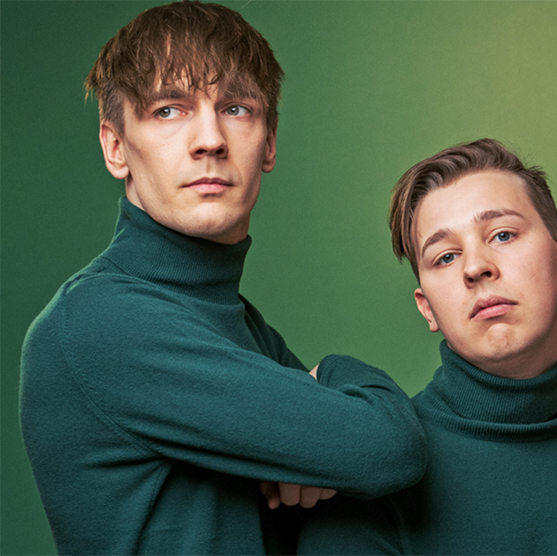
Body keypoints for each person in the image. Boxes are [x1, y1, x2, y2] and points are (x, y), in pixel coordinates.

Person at [19, 2, 426, 553]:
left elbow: (360, 473)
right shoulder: (98, 321)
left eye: (236, 108)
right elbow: (387, 448)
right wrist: (330, 376)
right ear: (116, 148)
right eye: (169, 110)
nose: (209, 139)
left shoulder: (241, 327)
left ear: (270, 142)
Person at [296, 138, 557, 554]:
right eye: (446, 257)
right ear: (427, 308)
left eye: (502, 235)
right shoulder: (368, 473)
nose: (475, 267)